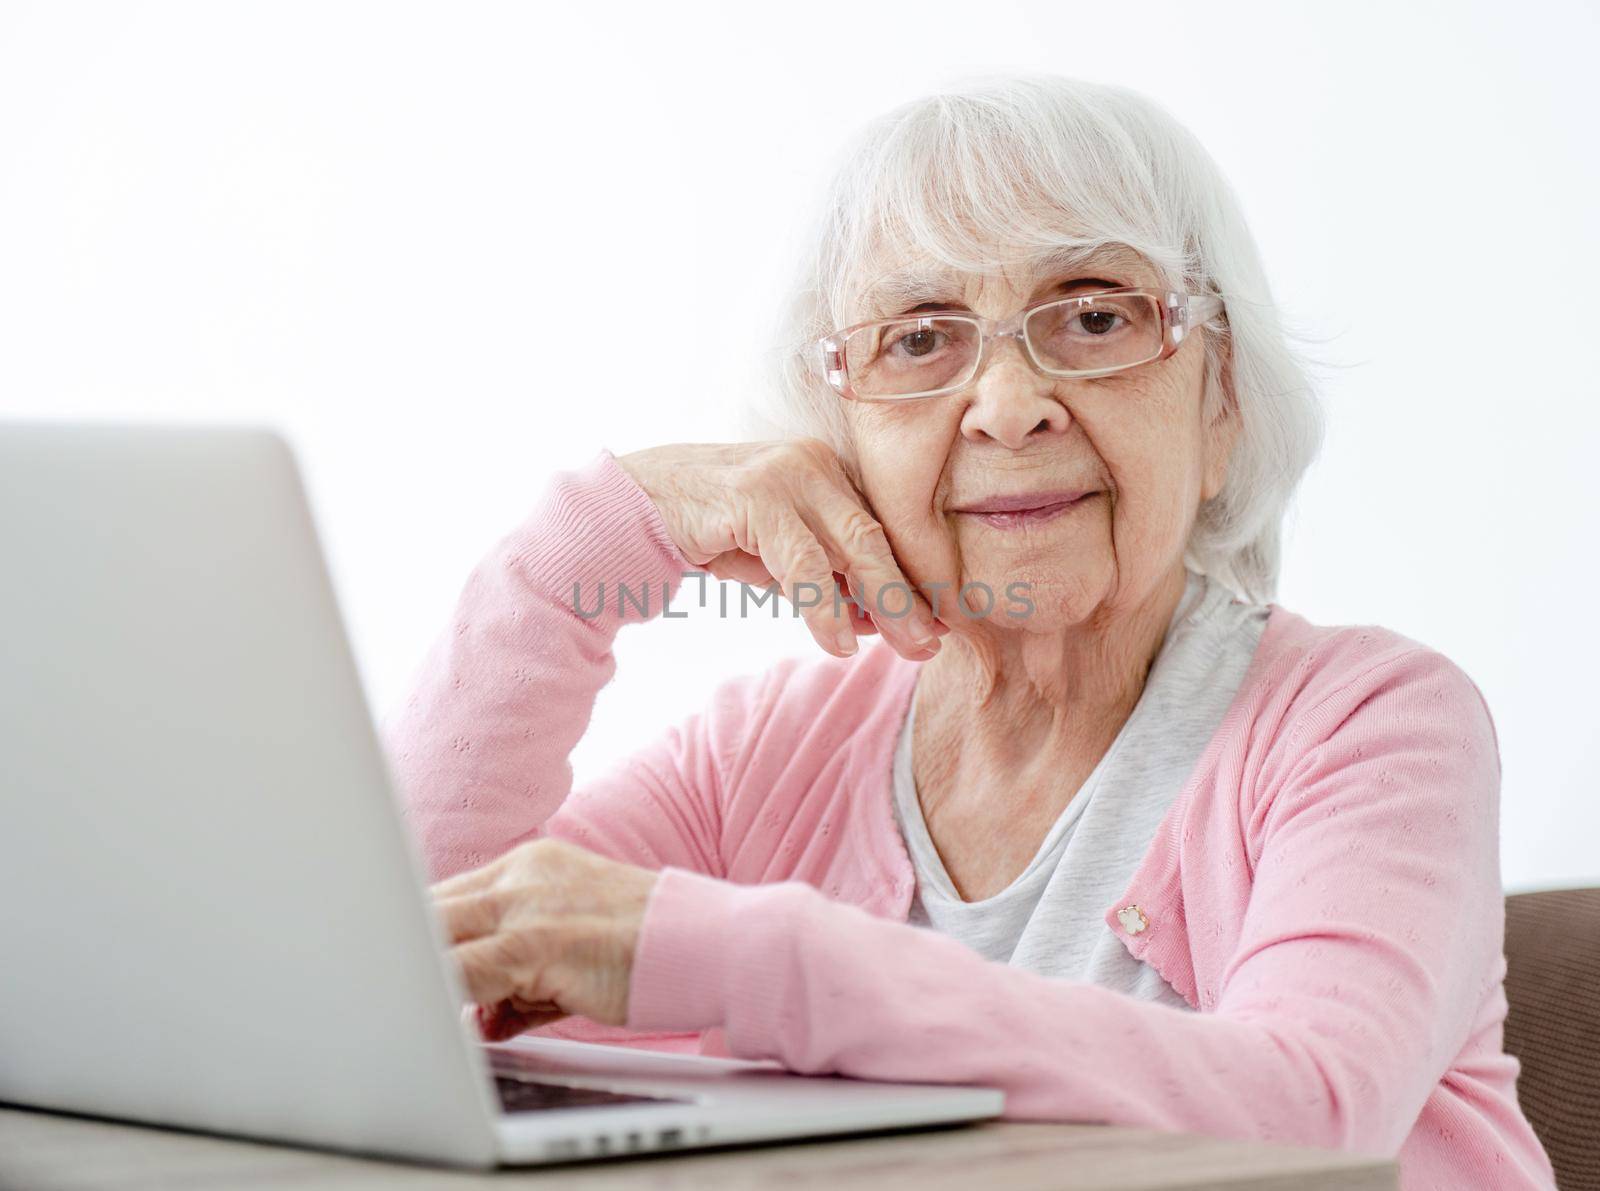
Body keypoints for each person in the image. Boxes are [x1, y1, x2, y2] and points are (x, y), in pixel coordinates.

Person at [380, 73, 1556, 1188]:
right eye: (919, 339)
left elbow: (1311, 1118)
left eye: (1095, 315)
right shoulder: (764, 754)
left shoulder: (1370, 723)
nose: (1006, 405)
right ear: (834, 435)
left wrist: (741, 957)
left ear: (1221, 399)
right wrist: (578, 552)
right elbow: (398, 985)